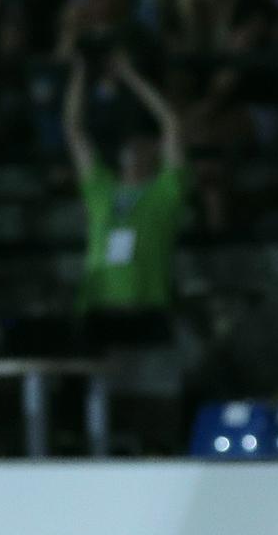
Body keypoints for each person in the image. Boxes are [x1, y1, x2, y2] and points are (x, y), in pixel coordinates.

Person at [64, 49, 187, 454]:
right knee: (95, 407)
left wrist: (132, 77)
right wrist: (81, 74)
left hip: (146, 311)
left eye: (143, 142)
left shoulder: (164, 193)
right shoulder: (101, 190)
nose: (134, 148)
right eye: (128, 142)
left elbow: (172, 124)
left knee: (154, 406)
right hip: (99, 313)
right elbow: (74, 131)